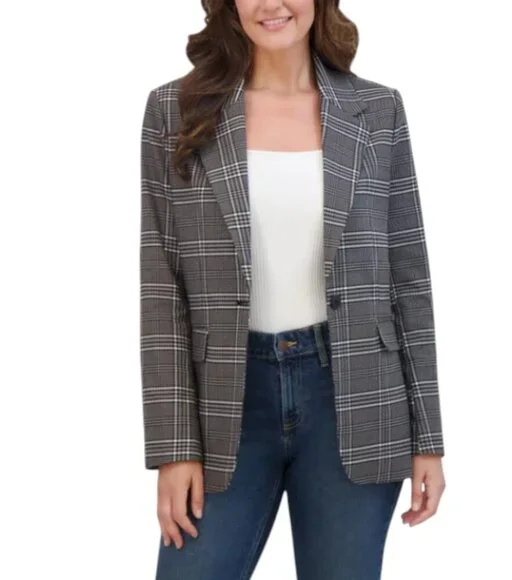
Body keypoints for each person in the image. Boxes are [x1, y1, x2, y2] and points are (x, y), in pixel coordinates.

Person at [140, 0, 447, 578]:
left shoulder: (377, 110)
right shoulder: (175, 110)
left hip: (356, 399)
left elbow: (408, 276)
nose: (271, 4)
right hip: (225, 404)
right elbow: (161, 287)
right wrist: (175, 448)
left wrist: (428, 435)